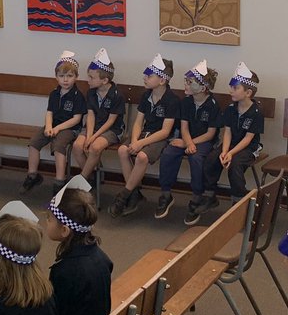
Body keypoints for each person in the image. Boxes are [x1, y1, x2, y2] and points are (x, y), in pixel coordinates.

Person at [44, 175, 114, 315]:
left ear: (65, 230)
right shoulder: (102, 258)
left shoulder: (64, 271)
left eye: (49, 218)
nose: (46, 222)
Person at [109, 54, 180, 217]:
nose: (145, 78)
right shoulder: (146, 95)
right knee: (122, 150)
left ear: (162, 80)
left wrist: (141, 144)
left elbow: (165, 131)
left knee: (141, 157)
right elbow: (138, 122)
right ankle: (134, 194)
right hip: (143, 134)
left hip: (159, 137)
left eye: (149, 75)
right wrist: (134, 140)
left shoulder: (172, 100)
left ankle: (125, 195)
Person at [156, 60, 221, 224]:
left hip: (204, 141)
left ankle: (197, 197)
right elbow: (184, 127)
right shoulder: (186, 102)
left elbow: (210, 133)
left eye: (190, 82)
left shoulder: (213, 105)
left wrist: (190, 144)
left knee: (196, 158)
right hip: (186, 138)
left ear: (203, 88)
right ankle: (165, 194)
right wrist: (187, 142)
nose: (185, 84)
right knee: (169, 152)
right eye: (186, 81)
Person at [200, 64, 264, 212]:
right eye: (231, 87)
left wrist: (231, 153)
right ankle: (209, 195)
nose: (231, 91)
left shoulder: (256, 112)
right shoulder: (230, 109)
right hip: (229, 145)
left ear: (248, 92)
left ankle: (238, 202)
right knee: (211, 159)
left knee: (234, 165)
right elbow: (227, 132)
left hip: (248, 148)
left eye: (235, 88)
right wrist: (224, 151)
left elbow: (248, 139)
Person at [22, 50, 87, 195]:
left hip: (70, 129)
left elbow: (76, 119)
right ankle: (32, 175)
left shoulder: (77, 96)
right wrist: (49, 126)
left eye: (69, 76)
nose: (65, 80)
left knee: (58, 146)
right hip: (53, 126)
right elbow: (49, 112)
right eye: (62, 76)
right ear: (56, 77)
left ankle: (60, 181)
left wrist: (57, 128)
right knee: (33, 143)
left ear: (76, 77)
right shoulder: (54, 93)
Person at [72, 48, 126, 183]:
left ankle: (82, 181)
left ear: (104, 80)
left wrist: (94, 138)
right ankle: (91, 180)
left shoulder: (117, 95)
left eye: (91, 77)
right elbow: (90, 116)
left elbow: (111, 121)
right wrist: (89, 136)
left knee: (95, 147)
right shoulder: (91, 92)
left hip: (112, 130)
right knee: (77, 146)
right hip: (93, 127)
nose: (88, 80)